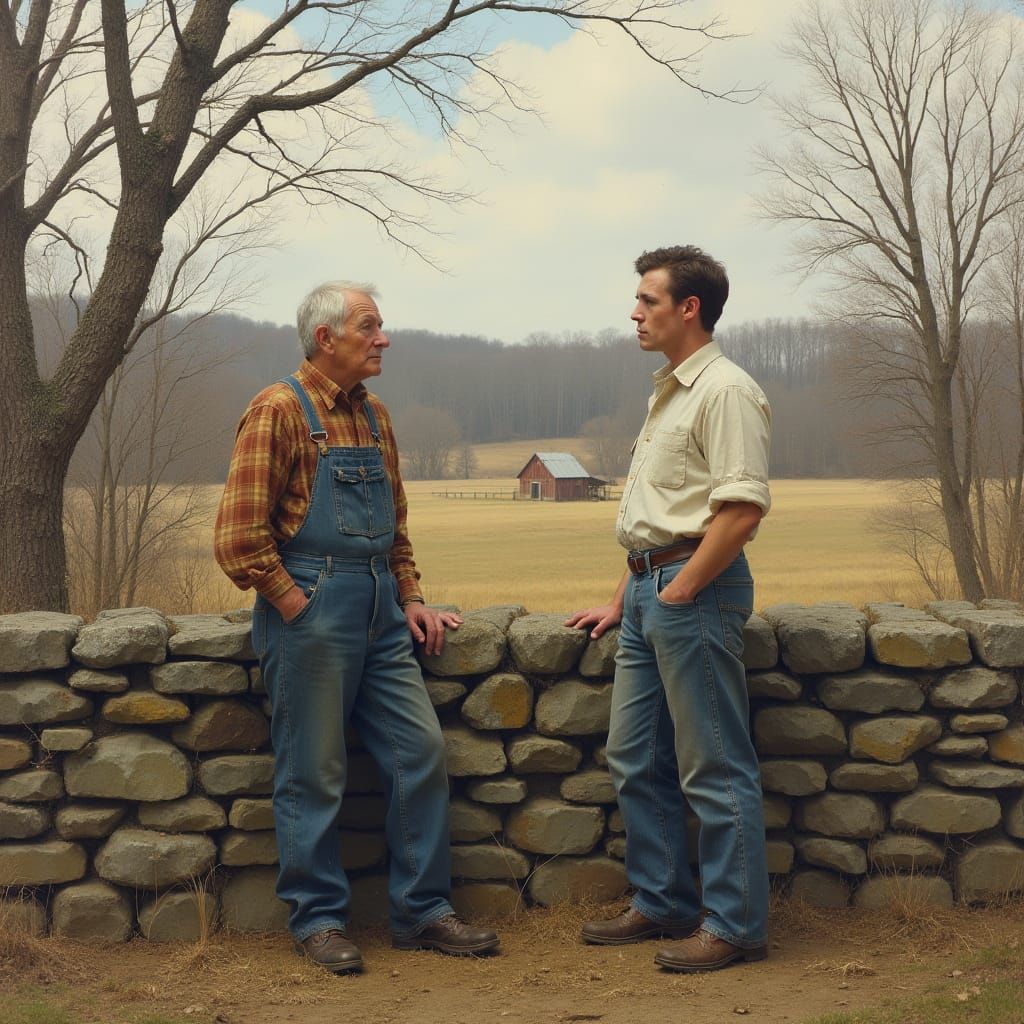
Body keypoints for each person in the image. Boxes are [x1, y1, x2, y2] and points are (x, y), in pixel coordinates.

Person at [214, 281, 499, 974]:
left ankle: (423, 911)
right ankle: (318, 921)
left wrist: (411, 596)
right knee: (314, 772)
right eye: (370, 327)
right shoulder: (278, 410)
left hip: (379, 614)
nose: (384, 338)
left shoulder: (374, 415)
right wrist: (295, 605)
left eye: (381, 327)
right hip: (312, 609)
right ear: (327, 338)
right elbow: (236, 539)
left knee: (420, 754)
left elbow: (396, 527)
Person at [566, 246, 771, 973]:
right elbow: (659, 512)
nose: (634, 311)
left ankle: (737, 925)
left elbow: (739, 510)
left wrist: (682, 588)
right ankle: (663, 902)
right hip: (650, 593)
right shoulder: (673, 391)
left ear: (690, 309)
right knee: (633, 755)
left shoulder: (725, 390)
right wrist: (630, 593)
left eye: (647, 299)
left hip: (693, 590)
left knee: (714, 766)